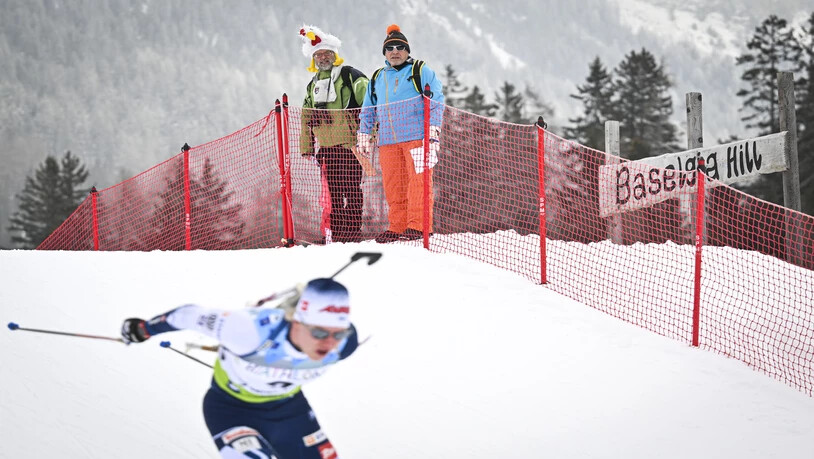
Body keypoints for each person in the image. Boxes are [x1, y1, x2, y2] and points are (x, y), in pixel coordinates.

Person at [120, 278, 358, 459]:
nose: (328, 343)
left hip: (290, 412)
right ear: (296, 321)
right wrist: (144, 329)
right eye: (318, 332)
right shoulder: (247, 330)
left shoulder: (345, 344)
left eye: (339, 333)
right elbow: (188, 315)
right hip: (231, 410)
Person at [356, 24, 444, 243]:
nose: (395, 51)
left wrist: (433, 131)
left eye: (400, 47)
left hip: (417, 139)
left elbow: (436, 101)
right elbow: (368, 108)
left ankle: (418, 226)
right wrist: (363, 133)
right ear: (384, 53)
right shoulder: (377, 77)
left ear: (407, 51)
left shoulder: (420, 70)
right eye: (390, 48)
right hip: (387, 142)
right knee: (393, 186)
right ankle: (397, 226)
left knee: (419, 184)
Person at [299, 25, 372, 243]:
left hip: (351, 146)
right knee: (333, 194)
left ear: (335, 55)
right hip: (327, 149)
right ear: (314, 59)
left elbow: (370, 103)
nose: (323, 58)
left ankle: (353, 232)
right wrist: (307, 147)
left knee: (352, 190)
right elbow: (305, 117)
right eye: (318, 55)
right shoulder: (313, 86)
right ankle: (339, 234)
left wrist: (370, 136)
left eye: (327, 53)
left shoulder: (351, 76)